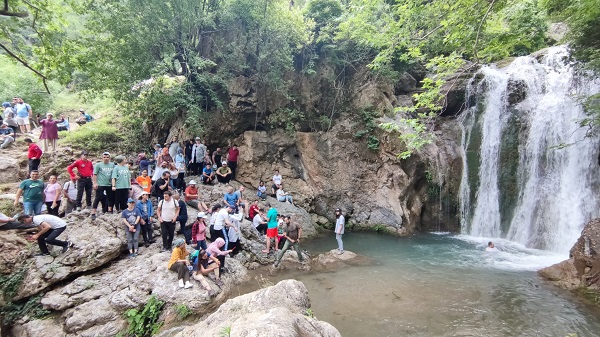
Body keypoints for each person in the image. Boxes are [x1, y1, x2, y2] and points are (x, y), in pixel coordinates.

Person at [92, 151, 115, 220]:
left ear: (109, 158)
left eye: (107, 157)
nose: (106, 158)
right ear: (102, 158)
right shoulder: (98, 165)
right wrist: (95, 183)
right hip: (101, 184)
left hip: (109, 184)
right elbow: (95, 174)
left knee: (110, 197)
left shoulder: (112, 165)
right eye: (104, 157)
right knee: (98, 197)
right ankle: (93, 212)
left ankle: (110, 210)